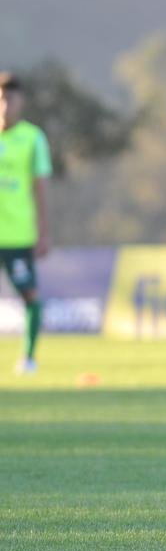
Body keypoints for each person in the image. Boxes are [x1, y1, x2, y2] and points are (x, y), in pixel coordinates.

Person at [0, 72, 52, 374]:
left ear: (21, 102)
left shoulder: (33, 138)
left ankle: (29, 358)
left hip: (18, 235)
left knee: (30, 296)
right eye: (2, 99)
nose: (6, 105)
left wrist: (44, 232)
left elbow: (41, 188)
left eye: (11, 99)